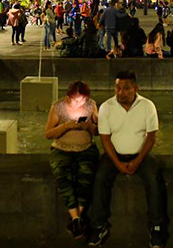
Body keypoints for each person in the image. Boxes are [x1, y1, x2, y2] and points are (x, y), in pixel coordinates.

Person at [87, 70, 167, 248]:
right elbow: (105, 139)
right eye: (117, 88)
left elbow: (151, 138)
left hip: (141, 155)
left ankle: (157, 226)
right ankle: (99, 225)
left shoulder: (147, 106)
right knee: (99, 178)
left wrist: (138, 160)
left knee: (154, 180)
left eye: (126, 88)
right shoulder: (107, 107)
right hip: (113, 154)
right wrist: (117, 163)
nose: (120, 92)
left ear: (135, 88)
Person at [45, 81, 99, 239]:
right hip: (61, 149)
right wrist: (66, 126)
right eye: (76, 100)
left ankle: (76, 218)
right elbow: (48, 133)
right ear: (69, 96)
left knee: (86, 176)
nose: (79, 103)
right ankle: (76, 218)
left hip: (86, 148)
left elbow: (98, 131)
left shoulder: (91, 105)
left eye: (82, 100)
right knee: (63, 176)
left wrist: (88, 126)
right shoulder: (58, 107)